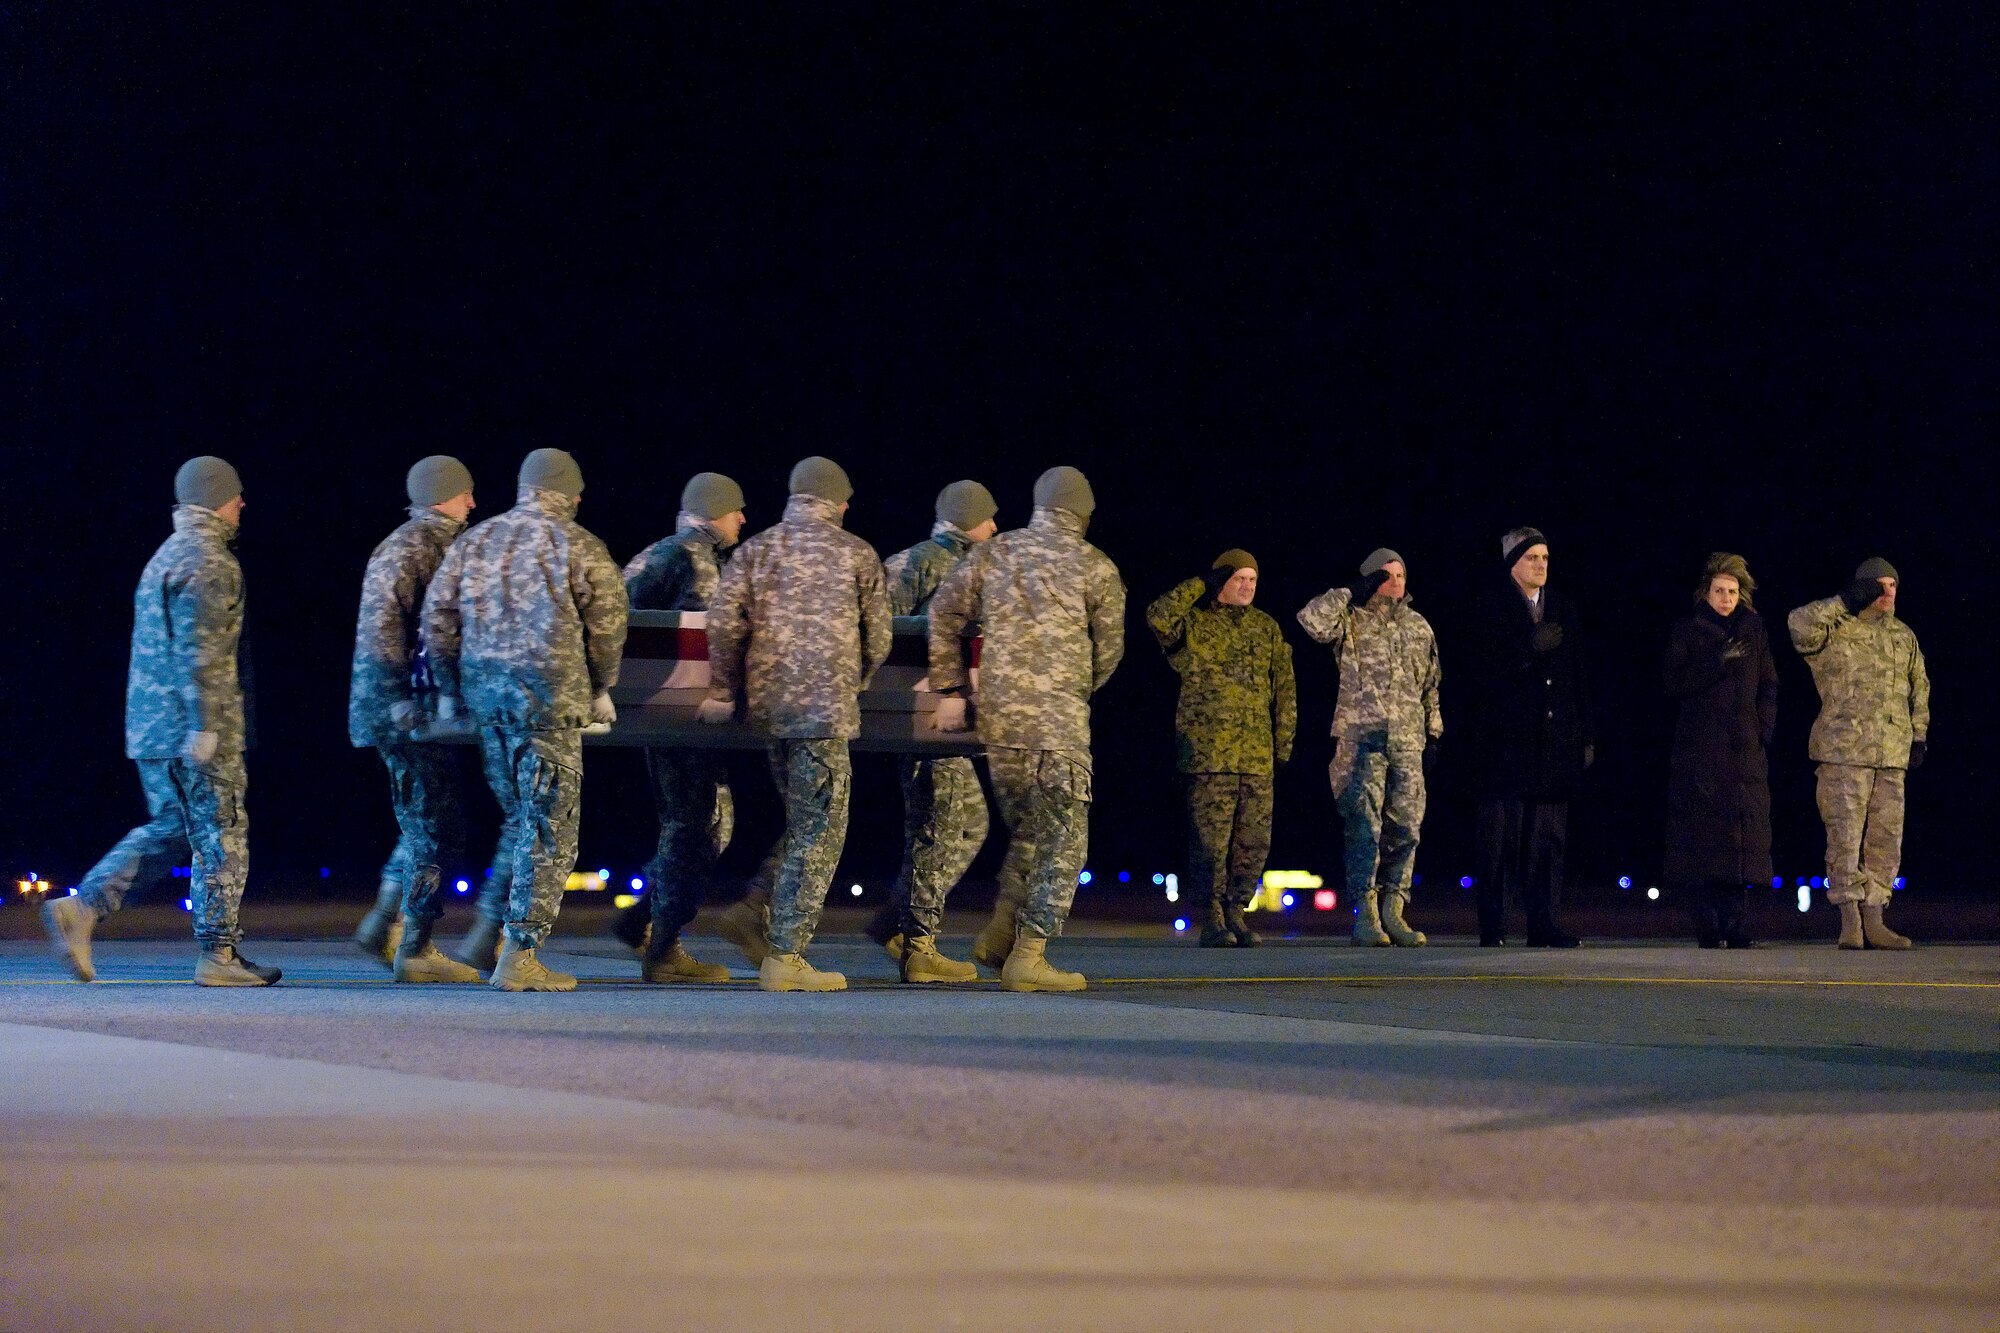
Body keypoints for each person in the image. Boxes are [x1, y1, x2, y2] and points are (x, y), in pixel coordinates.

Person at [42, 456, 281, 985]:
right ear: (218, 496)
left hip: (152, 727)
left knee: (173, 828)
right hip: (196, 728)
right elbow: (202, 652)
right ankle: (218, 955)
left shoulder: (168, 554)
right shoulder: (212, 561)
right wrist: (205, 723)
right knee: (222, 833)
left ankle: (82, 908)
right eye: (236, 494)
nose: (242, 503)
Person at [423, 447, 628, 991]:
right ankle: (522, 953)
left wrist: (450, 688)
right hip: (550, 706)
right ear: (569, 493)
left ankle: (486, 938)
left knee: (520, 820)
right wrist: (602, 686)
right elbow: (607, 624)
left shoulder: (476, 540)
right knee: (549, 831)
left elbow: (438, 618)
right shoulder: (578, 544)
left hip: (489, 706)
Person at [929, 465, 1125, 992]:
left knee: (1031, 834)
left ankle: (1000, 939)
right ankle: (1030, 956)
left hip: (1000, 723)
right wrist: (1074, 689)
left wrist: (952, 689)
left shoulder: (994, 553)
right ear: (1083, 512)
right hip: (1057, 725)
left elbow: (944, 614)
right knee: (1064, 844)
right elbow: (1109, 651)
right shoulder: (1094, 566)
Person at [701, 456, 892, 992]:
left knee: (805, 823)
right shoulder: (856, 553)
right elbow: (878, 636)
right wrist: (858, 679)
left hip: (769, 708)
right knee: (821, 830)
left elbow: (723, 622)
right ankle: (786, 954)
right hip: (825, 710)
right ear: (835, 501)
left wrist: (725, 687)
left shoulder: (756, 550)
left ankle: (755, 913)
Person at [348, 456, 486, 983]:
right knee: (436, 827)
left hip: (403, 707)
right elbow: (384, 629)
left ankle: (386, 921)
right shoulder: (418, 546)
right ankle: (417, 946)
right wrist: (401, 697)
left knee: (428, 820)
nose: (473, 503)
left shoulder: (419, 543)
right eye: (466, 493)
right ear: (443, 495)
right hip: (403, 709)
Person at [613, 471, 748, 984]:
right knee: (700, 825)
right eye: (735, 509)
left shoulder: (667, 553)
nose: (742, 518)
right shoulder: (694, 559)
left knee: (704, 824)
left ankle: (643, 920)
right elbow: (706, 633)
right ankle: (664, 947)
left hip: (660, 710)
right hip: (681, 714)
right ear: (714, 510)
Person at [862, 480, 1000, 982]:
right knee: (938, 824)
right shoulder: (930, 562)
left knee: (970, 824)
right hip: (925, 717)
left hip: (943, 717)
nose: (995, 527)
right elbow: (884, 629)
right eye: (988, 518)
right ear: (968, 518)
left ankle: (897, 923)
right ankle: (917, 944)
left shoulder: (953, 562)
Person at [1147, 549, 1297, 947]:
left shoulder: (1266, 628)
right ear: (1220, 582)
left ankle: (1237, 913)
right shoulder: (1195, 624)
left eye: (1252, 579)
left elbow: (1284, 689)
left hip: (1256, 757)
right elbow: (1158, 616)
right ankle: (1211, 917)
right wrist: (1201, 583)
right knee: (1211, 843)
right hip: (1209, 755)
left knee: (1253, 842)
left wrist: (1282, 744)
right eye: (1237, 578)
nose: (1246, 586)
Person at [1297, 549, 1440, 947]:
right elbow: (1311, 621)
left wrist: (1434, 732)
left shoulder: (1419, 627)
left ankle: (1395, 911)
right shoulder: (1351, 620)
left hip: (1408, 743)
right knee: (1365, 830)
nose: (1394, 582)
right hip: (1363, 741)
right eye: (1384, 575)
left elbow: (1430, 685)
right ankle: (1367, 915)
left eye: (1400, 574)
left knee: (1407, 828)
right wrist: (1350, 592)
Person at [1788, 558, 1929, 950]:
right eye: (1878, 585)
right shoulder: (1836, 629)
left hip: (1891, 754)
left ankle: (1875, 918)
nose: (1887, 592)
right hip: (1843, 751)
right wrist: (1844, 601)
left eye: (1893, 585)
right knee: (1845, 838)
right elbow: (1798, 625)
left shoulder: (1904, 637)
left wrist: (1918, 736)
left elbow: (1921, 688)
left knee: (1886, 838)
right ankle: (1849, 920)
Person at [1463, 527, 1591, 947]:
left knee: (1548, 839)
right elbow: (1479, 676)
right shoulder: (1489, 607)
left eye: (1545, 557)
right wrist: (1526, 649)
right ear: (1513, 563)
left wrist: (1585, 734)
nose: (1541, 565)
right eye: (1532, 557)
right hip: (1505, 743)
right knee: (1499, 838)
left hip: (1554, 742)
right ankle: (1493, 924)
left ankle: (1544, 922)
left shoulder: (1562, 608)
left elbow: (1579, 677)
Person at [1662, 553, 1777, 948]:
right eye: (1719, 591)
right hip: (1701, 753)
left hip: (1744, 753)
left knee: (1743, 840)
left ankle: (1737, 925)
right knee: (1703, 840)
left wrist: (1762, 728)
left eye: (1732, 591)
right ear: (1706, 594)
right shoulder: (1688, 630)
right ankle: (1707, 926)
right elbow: (1674, 682)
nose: (1726, 598)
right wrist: (1715, 661)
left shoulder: (1754, 630)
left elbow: (1769, 684)